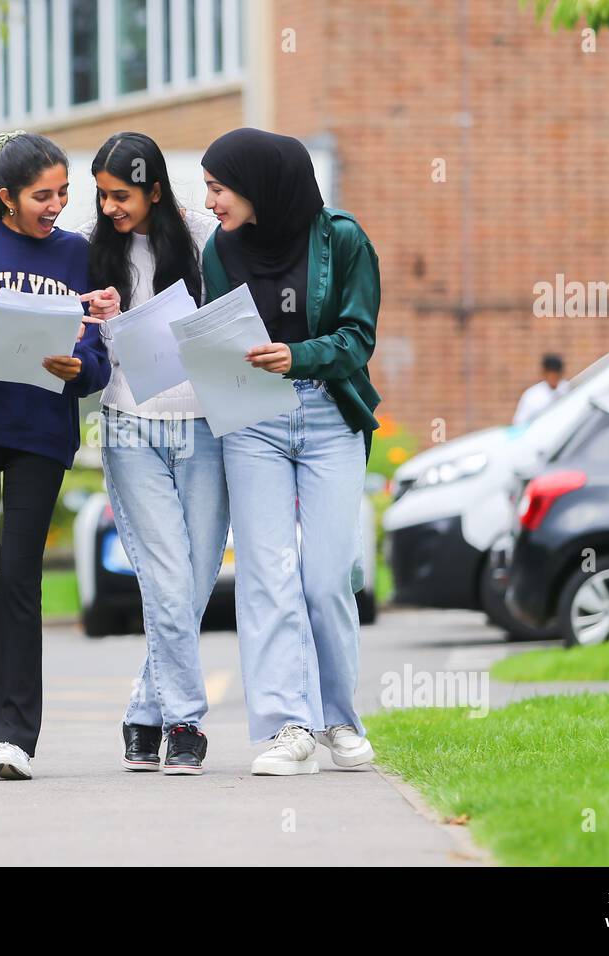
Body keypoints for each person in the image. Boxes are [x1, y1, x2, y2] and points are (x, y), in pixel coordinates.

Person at [0, 130, 111, 780]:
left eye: (64, 191)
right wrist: (32, 331)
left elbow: (96, 360)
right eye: (43, 195)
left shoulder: (77, 255)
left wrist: (73, 364)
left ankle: (14, 737)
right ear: (7, 196)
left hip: (39, 433)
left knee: (20, 580)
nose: (57, 204)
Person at [200, 128, 381, 775]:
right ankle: (289, 727)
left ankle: (340, 720)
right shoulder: (218, 250)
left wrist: (299, 355)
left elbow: (358, 338)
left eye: (219, 187)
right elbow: (218, 331)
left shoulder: (344, 238)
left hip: (330, 414)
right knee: (265, 574)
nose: (212, 201)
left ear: (259, 185)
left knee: (328, 576)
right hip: (254, 418)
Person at [75, 132, 225, 775]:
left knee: (191, 585)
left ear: (156, 189)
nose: (111, 207)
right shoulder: (88, 250)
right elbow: (72, 341)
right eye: (103, 195)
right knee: (166, 578)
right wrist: (95, 316)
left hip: (206, 429)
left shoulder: (205, 237)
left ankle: (143, 711)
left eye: (123, 195)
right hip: (129, 425)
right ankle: (185, 723)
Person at [513, 353, 568, 426]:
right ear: (544, 374)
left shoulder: (567, 390)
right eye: (551, 375)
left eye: (557, 375)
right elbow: (519, 422)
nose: (554, 379)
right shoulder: (532, 396)